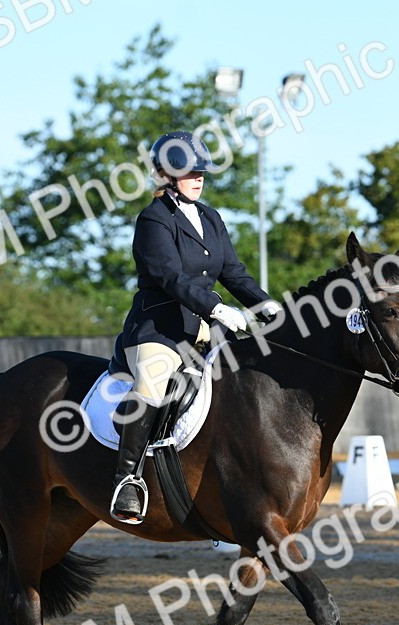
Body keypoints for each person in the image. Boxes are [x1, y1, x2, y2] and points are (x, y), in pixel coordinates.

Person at [108, 130, 281, 524]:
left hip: (205, 330)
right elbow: (170, 276)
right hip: (160, 330)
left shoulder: (209, 217)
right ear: (166, 176)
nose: (198, 178)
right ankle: (128, 480)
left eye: (201, 171)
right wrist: (218, 309)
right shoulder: (153, 220)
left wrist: (265, 304)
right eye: (189, 172)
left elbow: (233, 272)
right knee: (152, 383)